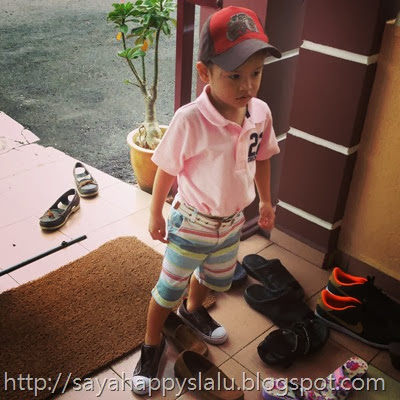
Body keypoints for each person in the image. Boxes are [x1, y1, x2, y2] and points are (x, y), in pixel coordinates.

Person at [131, 6, 282, 395]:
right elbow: (166, 168)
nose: (248, 85)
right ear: (204, 72)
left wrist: (265, 202)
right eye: (234, 75)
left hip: (231, 223)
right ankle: (151, 345)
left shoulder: (260, 113)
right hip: (192, 223)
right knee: (168, 288)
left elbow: (262, 157)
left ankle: (194, 311)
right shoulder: (190, 120)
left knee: (211, 278)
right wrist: (155, 212)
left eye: (256, 73)